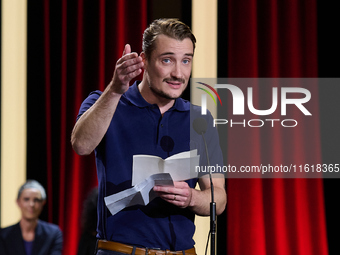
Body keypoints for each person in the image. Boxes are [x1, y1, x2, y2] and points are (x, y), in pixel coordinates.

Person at [71, 18, 226, 255]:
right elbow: (81, 145)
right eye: (167, 60)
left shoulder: (200, 120)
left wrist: (191, 197)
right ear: (143, 60)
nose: (178, 73)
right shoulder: (105, 102)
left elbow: (218, 198)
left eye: (186, 61)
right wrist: (114, 90)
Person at [0, 180, 63, 255]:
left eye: (36, 200)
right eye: (26, 199)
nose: (31, 204)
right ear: (18, 202)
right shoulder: (4, 235)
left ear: (43, 203)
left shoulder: (53, 234)